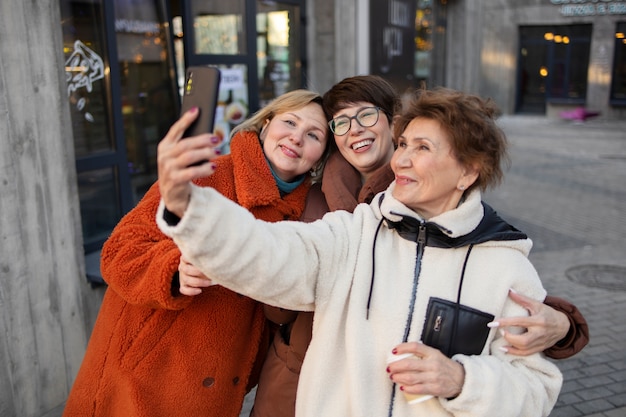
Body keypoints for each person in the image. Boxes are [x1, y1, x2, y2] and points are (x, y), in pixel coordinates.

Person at [157, 87, 563, 416]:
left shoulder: (506, 265)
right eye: (403, 144)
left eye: (422, 148)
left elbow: (535, 389)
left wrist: (462, 381)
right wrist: (189, 206)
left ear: (468, 171)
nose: (401, 158)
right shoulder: (356, 232)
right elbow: (271, 253)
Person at [62, 89, 331, 417]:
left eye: (313, 134)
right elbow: (118, 252)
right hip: (145, 378)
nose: (297, 137)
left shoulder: (305, 213)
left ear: (321, 155)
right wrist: (174, 269)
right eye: (289, 121)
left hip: (216, 393)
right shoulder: (206, 174)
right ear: (265, 125)